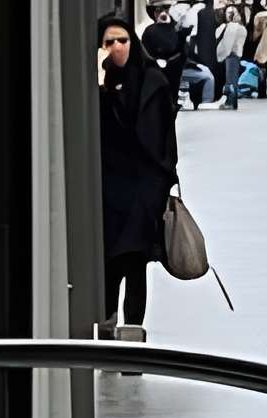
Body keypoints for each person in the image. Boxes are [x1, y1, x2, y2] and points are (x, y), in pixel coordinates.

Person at [98, 14, 180, 351]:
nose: (117, 48)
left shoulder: (152, 81)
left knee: (135, 263)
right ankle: (105, 332)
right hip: (107, 187)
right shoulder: (96, 86)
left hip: (144, 186)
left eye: (123, 40)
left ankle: (132, 338)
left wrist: (163, 182)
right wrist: (101, 81)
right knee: (108, 264)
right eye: (108, 42)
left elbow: (165, 138)